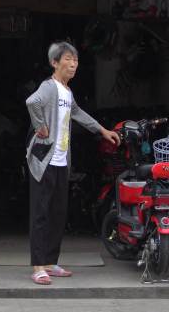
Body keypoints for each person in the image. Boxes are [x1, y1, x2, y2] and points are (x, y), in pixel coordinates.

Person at [25, 41, 120, 285]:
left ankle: (50, 262)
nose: (73, 64)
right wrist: (40, 126)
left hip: (60, 162)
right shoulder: (49, 87)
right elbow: (31, 102)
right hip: (44, 161)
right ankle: (38, 267)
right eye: (68, 59)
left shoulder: (67, 92)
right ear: (54, 63)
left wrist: (102, 130)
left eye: (75, 60)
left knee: (58, 213)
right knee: (41, 214)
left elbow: (78, 114)